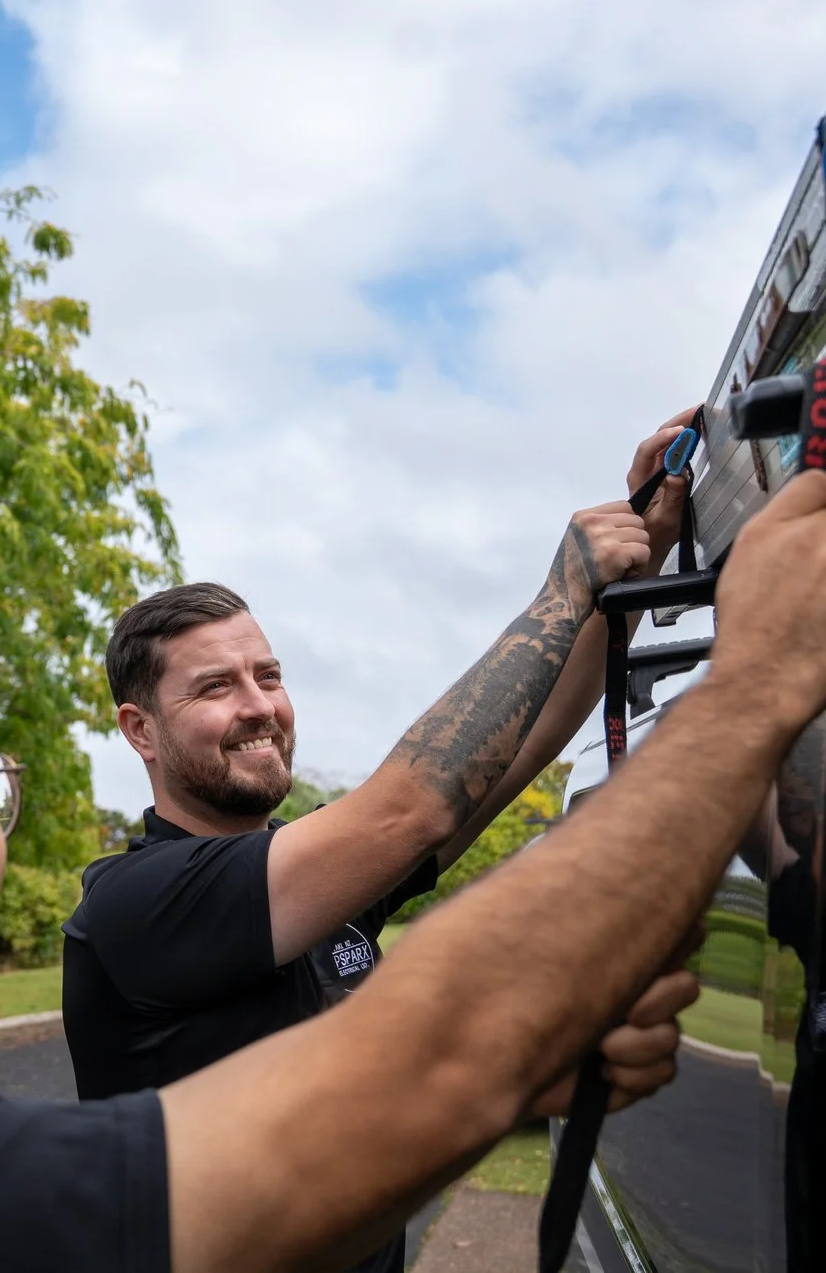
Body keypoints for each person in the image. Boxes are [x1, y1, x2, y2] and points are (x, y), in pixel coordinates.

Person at [0, 468, 826, 1273]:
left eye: (274, 673)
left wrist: (531, 1069)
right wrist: (753, 682)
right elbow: (422, 1014)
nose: (263, 703)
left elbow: (474, 784)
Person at [63, 413, 694, 1140]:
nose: (259, 706)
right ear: (139, 728)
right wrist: (560, 592)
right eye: (215, 688)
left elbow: (517, 751)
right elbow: (409, 809)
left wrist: (630, 580)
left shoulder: (320, 873)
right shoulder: (134, 905)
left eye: (268, 676)